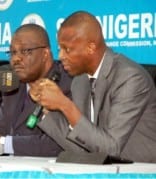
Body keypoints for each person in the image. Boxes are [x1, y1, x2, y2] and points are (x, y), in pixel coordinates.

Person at [30, 11, 156, 162]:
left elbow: (111, 149)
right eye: (59, 49)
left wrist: (65, 105)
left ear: (90, 48)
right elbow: (84, 146)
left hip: (142, 171)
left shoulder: (130, 78)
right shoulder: (80, 81)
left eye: (67, 49)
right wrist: (46, 111)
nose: (61, 56)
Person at [0, 24, 72, 157]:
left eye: (25, 51)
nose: (16, 59)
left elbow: (59, 144)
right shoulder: (12, 83)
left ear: (45, 54)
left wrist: (3, 142)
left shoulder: (69, 81)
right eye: (12, 52)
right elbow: (0, 130)